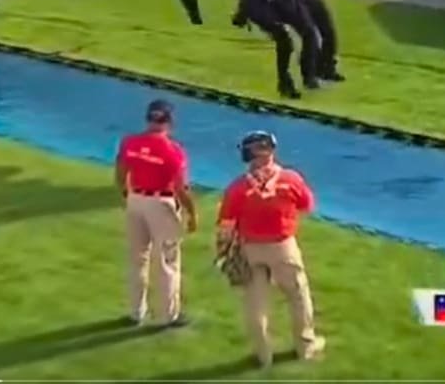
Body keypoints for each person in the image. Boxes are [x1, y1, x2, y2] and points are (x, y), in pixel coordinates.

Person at [217, 130, 324, 368]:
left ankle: (263, 355)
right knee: (298, 297)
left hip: (251, 249)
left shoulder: (237, 188)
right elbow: (307, 205)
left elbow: (225, 226)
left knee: (256, 304)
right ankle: (305, 347)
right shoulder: (291, 179)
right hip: (283, 247)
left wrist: (223, 252)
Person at [114, 99, 197, 328]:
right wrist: (192, 213)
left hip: (136, 200)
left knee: (137, 259)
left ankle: (135, 312)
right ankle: (169, 315)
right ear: (170, 121)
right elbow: (181, 188)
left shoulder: (130, 143)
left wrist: (127, 194)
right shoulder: (174, 151)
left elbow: (120, 172)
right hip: (161, 203)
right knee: (167, 260)